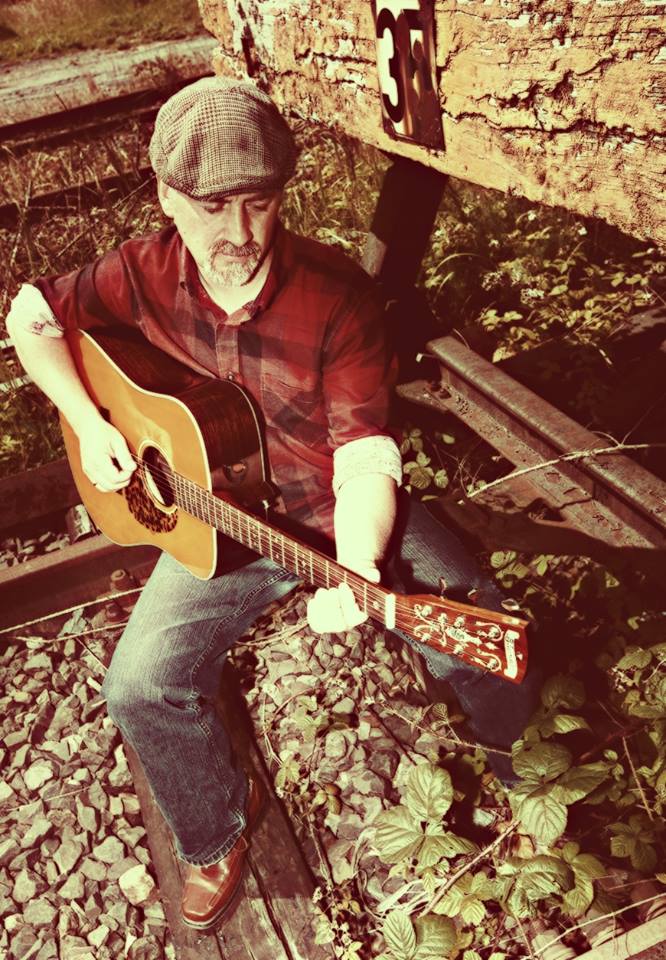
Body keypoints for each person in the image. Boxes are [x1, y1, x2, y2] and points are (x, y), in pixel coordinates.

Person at [6, 76, 542, 930]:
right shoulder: (139, 272)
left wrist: (360, 563)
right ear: (166, 199)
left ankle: (527, 784)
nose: (239, 233)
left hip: (334, 514)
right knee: (138, 685)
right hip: (216, 524)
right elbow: (31, 315)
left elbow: (366, 454)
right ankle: (215, 830)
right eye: (212, 208)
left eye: (258, 203)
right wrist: (89, 420)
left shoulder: (337, 296)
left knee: (476, 629)